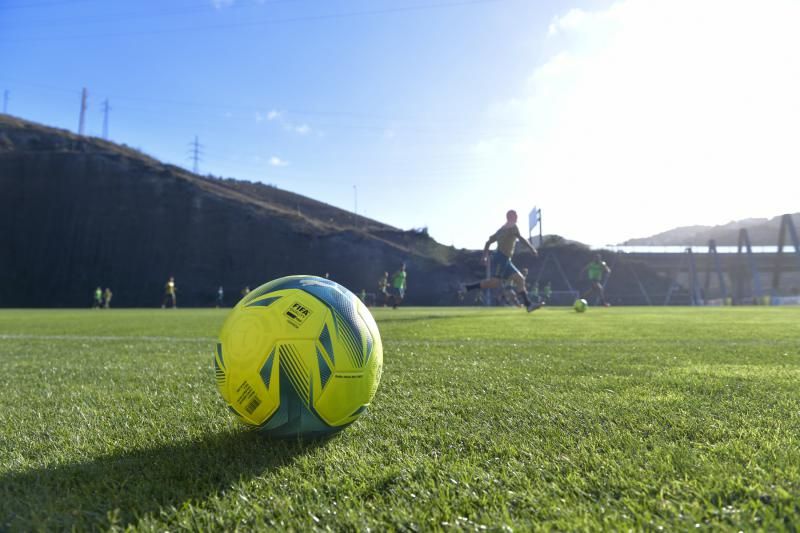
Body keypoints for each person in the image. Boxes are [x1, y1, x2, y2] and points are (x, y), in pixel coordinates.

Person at [460, 209, 540, 312]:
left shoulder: (500, 230)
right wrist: (531, 248)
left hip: (506, 260)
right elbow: (521, 238)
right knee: (494, 283)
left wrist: (484, 256)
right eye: (515, 215)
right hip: (500, 258)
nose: (517, 217)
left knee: (520, 279)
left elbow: (488, 242)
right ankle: (467, 288)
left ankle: (528, 305)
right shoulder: (512, 227)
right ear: (510, 217)